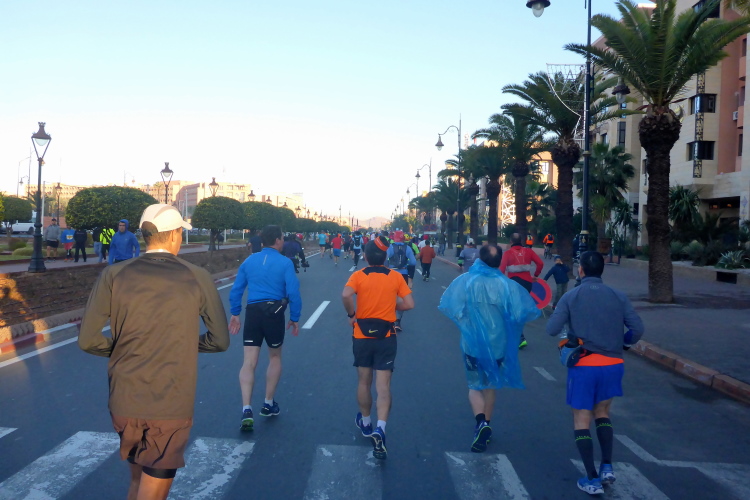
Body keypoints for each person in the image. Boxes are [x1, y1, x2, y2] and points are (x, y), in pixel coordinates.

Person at [78, 203, 230, 500]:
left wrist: (125, 349)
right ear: (173, 235)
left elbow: (88, 340)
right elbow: (219, 340)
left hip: (124, 399)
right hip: (170, 404)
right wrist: (184, 344)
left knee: (137, 482)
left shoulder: (114, 274)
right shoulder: (196, 275)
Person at [546, 251, 644, 496]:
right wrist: (623, 343)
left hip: (584, 366)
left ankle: (591, 478)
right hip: (613, 365)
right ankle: (607, 467)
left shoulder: (571, 296)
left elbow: (552, 329)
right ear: (602, 270)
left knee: (582, 418)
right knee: (602, 412)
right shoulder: (618, 296)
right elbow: (637, 329)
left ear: (581, 270)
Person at [439, 244, 539, 453]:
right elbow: (520, 313)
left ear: (480, 258)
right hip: (498, 344)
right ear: (500, 261)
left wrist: (466, 319)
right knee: (491, 384)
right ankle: (487, 423)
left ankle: (480, 423)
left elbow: (452, 307)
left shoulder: (466, 280)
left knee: (475, 385)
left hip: (472, 344)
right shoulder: (507, 285)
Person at [342, 236, 414, 460]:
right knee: (383, 386)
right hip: (386, 336)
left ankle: (366, 423)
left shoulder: (358, 275)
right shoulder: (395, 277)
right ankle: (381, 428)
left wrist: (352, 314)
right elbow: (409, 304)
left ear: (365, 257)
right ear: (385, 257)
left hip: (362, 335)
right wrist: (392, 304)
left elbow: (346, 295)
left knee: (364, 382)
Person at [229, 225, 302, 432]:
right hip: (274, 314)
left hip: (253, 313)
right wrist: (295, 317)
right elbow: (293, 292)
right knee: (275, 357)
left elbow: (236, 289)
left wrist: (235, 313)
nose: (282, 241)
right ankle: (268, 403)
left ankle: (246, 409)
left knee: (249, 362)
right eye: (282, 238)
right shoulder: (285, 263)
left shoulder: (249, 261)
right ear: (278, 240)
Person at [499, 233, 544, 349]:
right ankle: (518, 336)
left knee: (512, 309)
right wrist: (536, 275)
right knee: (519, 309)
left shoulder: (508, 253)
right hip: (527, 283)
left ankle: (520, 337)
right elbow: (540, 263)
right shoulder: (528, 251)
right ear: (522, 241)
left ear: (510, 241)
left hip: (513, 283)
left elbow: (502, 270)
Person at [386, 231, 417, 332]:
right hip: (403, 274)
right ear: (403, 238)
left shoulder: (390, 247)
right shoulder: (407, 248)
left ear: (394, 238)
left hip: (391, 273)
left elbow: (385, 259)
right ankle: (397, 321)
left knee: (389, 296)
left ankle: (388, 318)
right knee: (400, 298)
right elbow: (413, 262)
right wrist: (406, 263)